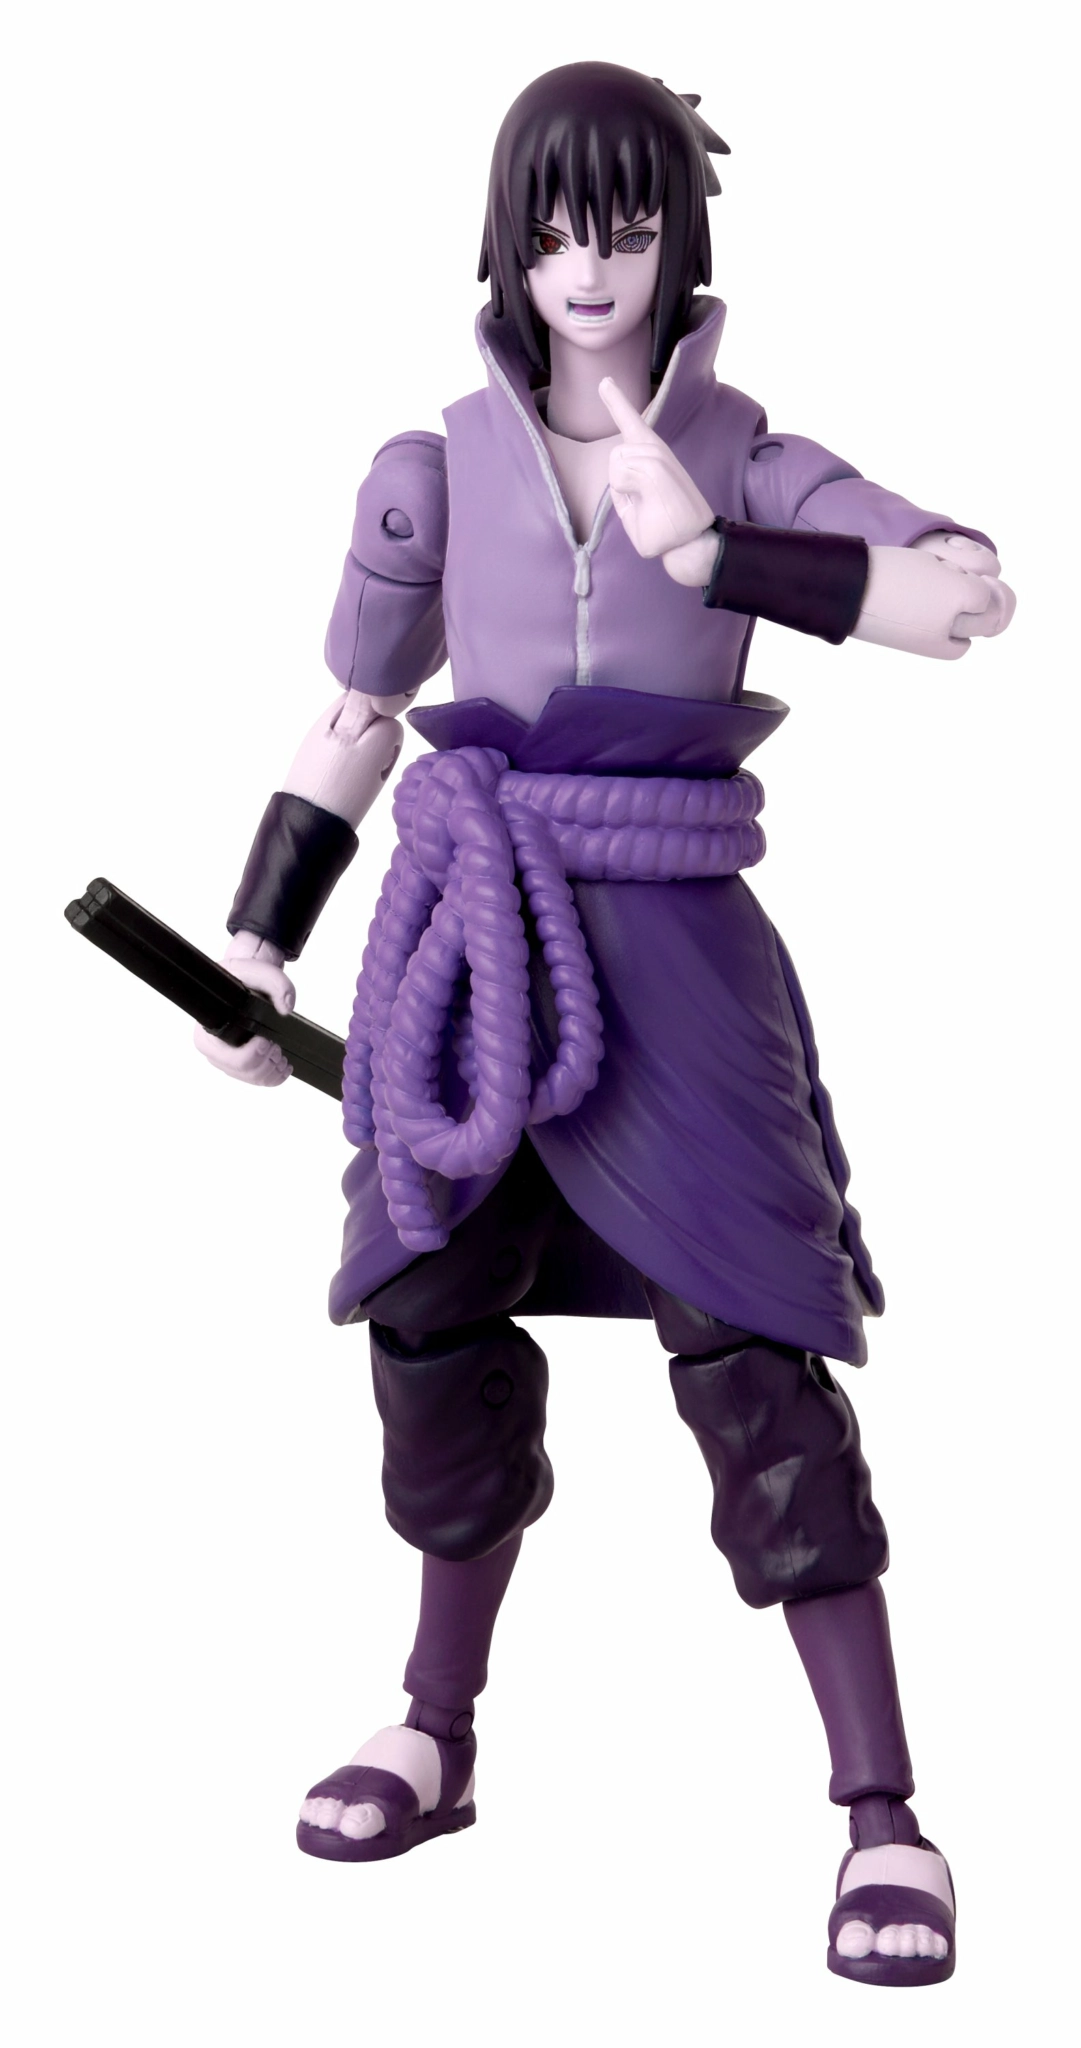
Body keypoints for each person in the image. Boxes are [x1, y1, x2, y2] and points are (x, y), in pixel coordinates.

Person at [197, 63, 1013, 1984]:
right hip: (469, 939)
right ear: (510, 237)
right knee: (424, 1315)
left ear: (676, 237)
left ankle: (883, 1812)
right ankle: (437, 1727)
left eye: (625, 227)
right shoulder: (431, 470)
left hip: (674, 948)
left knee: (756, 1357)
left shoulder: (741, 449)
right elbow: (357, 717)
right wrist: (256, 942)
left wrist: (719, 553)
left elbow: (968, 597)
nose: (588, 267)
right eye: (555, 228)